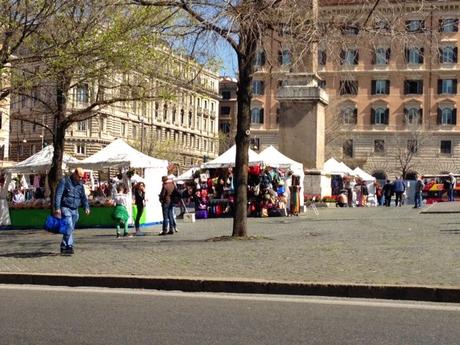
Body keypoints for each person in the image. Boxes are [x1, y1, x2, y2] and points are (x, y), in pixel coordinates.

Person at [54, 167, 90, 255]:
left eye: (82, 177)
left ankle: (63, 244)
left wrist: (86, 207)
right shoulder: (65, 181)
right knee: (69, 225)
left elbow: (83, 197)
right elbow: (58, 195)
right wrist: (57, 208)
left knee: (70, 228)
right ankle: (69, 245)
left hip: (75, 209)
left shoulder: (80, 185)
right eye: (79, 177)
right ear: (74, 174)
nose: (80, 179)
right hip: (66, 207)